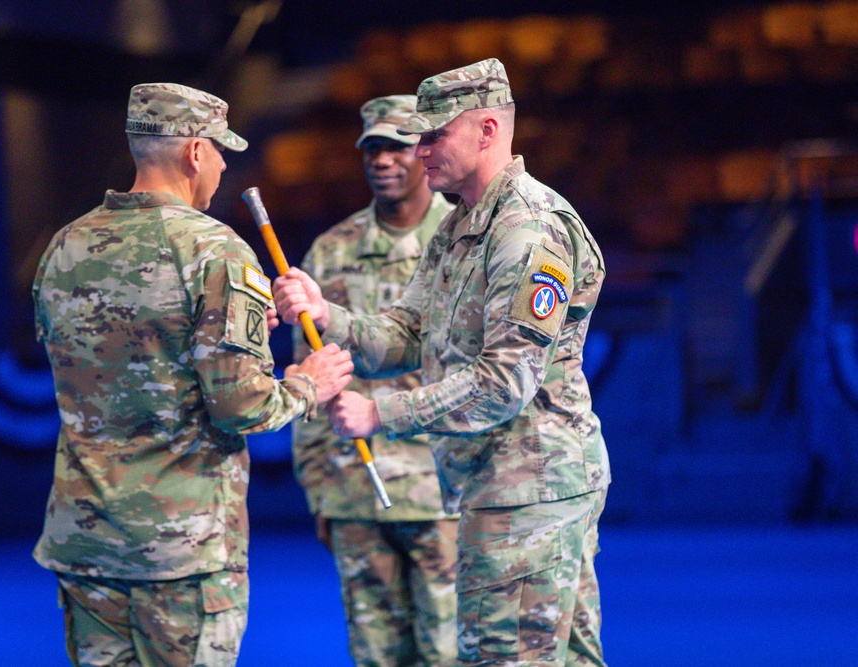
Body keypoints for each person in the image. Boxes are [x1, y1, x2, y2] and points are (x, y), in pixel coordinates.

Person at [274, 59, 610, 667]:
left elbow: (505, 381)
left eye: (434, 134)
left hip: (527, 491)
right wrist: (330, 316)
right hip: (501, 486)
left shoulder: (527, 229)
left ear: (486, 129)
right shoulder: (460, 225)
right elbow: (408, 333)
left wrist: (384, 413)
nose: (419, 150)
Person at [31, 82, 353, 667]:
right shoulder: (214, 251)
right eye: (220, 149)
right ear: (194, 154)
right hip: (181, 553)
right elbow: (244, 406)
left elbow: (102, 364)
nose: (226, 164)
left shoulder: (63, 246)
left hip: (86, 541)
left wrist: (245, 335)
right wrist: (310, 381)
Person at [292, 94, 459, 667]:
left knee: (449, 651)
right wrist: (318, 488)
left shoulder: (463, 242)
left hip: (444, 492)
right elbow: (307, 381)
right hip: (355, 491)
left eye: (399, 147)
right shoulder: (331, 252)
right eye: (373, 149)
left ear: (427, 150)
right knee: (376, 655)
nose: (384, 160)